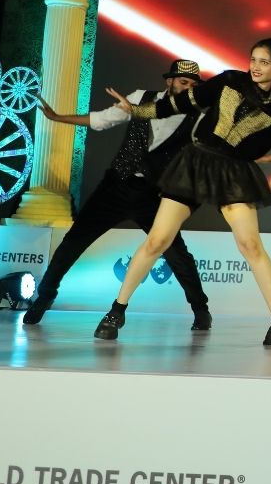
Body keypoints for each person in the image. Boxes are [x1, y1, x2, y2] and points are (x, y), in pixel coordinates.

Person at [94, 38, 271, 346]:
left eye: (264, 62)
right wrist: (136, 110)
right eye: (254, 59)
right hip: (195, 164)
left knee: (251, 245)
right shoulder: (229, 81)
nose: (256, 67)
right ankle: (116, 311)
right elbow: (179, 104)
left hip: (234, 175)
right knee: (157, 240)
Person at [22, 60, 211, 328]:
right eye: (183, 82)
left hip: (154, 194)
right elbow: (102, 120)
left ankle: (201, 310)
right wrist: (58, 117)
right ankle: (44, 296)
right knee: (74, 241)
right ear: (169, 81)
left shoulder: (197, 117)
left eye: (193, 85)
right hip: (116, 187)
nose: (188, 88)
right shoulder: (140, 98)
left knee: (175, 252)